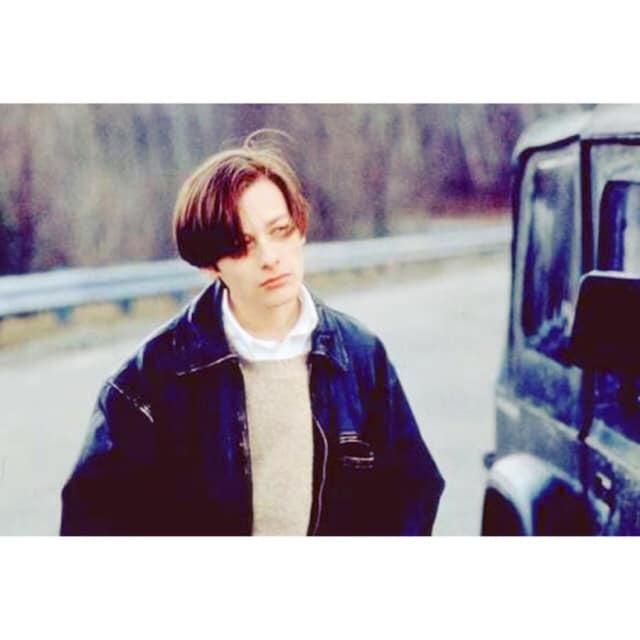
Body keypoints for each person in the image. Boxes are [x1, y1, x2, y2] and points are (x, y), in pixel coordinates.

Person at [60, 130, 445, 536]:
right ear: (210, 265)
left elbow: (412, 492)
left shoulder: (360, 356)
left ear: (300, 230)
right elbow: (93, 524)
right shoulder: (146, 383)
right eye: (242, 244)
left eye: (280, 230)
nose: (270, 257)